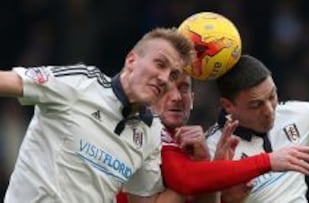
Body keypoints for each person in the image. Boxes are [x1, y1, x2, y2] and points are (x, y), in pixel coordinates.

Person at [0, 27, 196, 203]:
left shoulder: (151, 131)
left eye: (173, 76)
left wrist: (202, 168)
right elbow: (6, 82)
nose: (164, 79)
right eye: (160, 64)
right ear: (131, 61)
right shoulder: (80, 84)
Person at [118, 72, 309, 203]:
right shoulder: (141, 127)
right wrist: (268, 161)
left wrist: (214, 176)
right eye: (166, 89)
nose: (176, 97)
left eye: (184, 88)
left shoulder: (187, 144)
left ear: (192, 100)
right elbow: (187, 180)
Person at [206, 54, 309, 203]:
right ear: (228, 106)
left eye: (272, 96)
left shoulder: (297, 115)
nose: (269, 111)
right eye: (256, 105)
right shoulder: (210, 150)